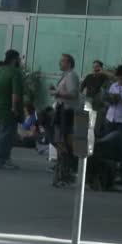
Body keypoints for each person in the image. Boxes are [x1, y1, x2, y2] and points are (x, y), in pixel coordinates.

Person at [0, 50, 23, 169]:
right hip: (9, 109)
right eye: (19, 59)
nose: (20, 61)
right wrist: (14, 107)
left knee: (5, 134)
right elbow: (15, 93)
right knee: (4, 135)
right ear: (14, 59)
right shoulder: (15, 72)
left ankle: (4, 159)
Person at [50, 53, 81, 188]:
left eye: (62, 61)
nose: (60, 63)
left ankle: (66, 173)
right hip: (61, 110)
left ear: (68, 63)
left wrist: (57, 93)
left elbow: (73, 94)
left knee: (64, 143)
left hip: (67, 112)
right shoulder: (65, 76)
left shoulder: (72, 76)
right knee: (59, 141)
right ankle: (61, 172)